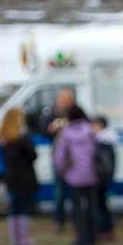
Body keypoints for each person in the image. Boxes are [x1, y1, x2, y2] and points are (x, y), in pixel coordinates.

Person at [54, 105, 99, 245]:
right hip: (91, 175)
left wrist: (60, 171)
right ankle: (93, 237)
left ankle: (82, 238)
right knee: (91, 206)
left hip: (74, 176)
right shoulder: (90, 130)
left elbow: (60, 155)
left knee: (77, 208)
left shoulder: (66, 133)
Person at [0, 108, 38, 245]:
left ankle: (15, 239)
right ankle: (23, 239)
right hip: (24, 176)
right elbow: (33, 156)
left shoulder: (3, 136)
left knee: (14, 208)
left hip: (11, 176)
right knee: (23, 208)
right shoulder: (23, 137)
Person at [42, 88, 75, 233]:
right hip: (58, 157)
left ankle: (76, 220)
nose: (63, 102)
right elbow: (42, 128)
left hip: (75, 158)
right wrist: (50, 128)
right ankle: (59, 221)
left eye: (66, 99)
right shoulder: (51, 113)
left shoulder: (76, 112)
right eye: (61, 99)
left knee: (75, 191)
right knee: (59, 192)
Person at [91, 115, 117, 242]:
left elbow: (105, 165)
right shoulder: (107, 140)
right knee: (102, 205)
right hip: (103, 179)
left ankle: (104, 230)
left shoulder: (102, 142)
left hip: (100, 179)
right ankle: (106, 230)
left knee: (101, 206)